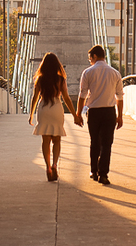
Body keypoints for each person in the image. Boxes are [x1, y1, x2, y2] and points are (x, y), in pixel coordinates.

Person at [28, 53, 81, 181]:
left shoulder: (40, 79)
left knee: (45, 141)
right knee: (57, 140)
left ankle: (48, 167)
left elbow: (35, 97)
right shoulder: (61, 79)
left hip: (44, 109)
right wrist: (75, 115)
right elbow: (66, 98)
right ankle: (55, 164)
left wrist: (31, 114)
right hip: (57, 108)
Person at [76, 44, 124, 185]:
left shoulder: (87, 72)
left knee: (95, 142)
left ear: (95, 56)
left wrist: (78, 113)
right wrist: (120, 115)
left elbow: (82, 95)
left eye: (90, 58)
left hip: (94, 112)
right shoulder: (115, 73)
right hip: (109, 112)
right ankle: (103, 174)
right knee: (107, 144)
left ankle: (94, 171)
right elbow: (119, 96)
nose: (90, 61)